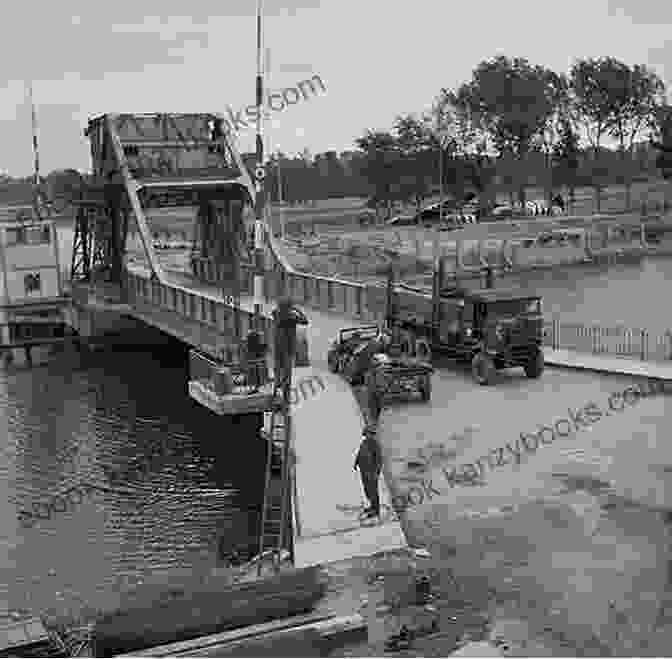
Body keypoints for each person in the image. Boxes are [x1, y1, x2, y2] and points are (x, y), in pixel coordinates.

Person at [353, 426, 383, 519]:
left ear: (373, 434)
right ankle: (372, 506)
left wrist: (376, 472)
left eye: (369, 434)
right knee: (367, 490)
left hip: (371, 472)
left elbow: (378, 460)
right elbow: (360, 453)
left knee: (373, 491)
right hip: (364, 470)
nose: (368, 436)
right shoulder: (364, 443)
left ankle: (376, 510)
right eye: (366, 434)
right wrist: (356, 463)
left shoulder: (375, 445)